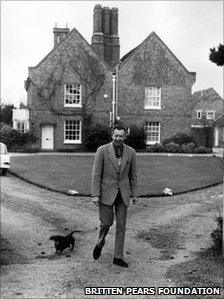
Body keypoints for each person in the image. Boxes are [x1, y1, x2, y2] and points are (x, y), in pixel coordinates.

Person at [91, 124, 138, 267]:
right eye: (116, 135)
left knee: (121, 226)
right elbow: (96, 174)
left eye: (121, 136)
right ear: (112, 136)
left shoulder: (131, 152)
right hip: (106, 193)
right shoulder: (102, 151)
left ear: (125, 137)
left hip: (123, 194)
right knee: (106, 223)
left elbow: (133, 175)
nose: (118, 138)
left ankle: (118, 257)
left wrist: (134, 193)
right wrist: (95, 194)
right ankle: (100, 242)